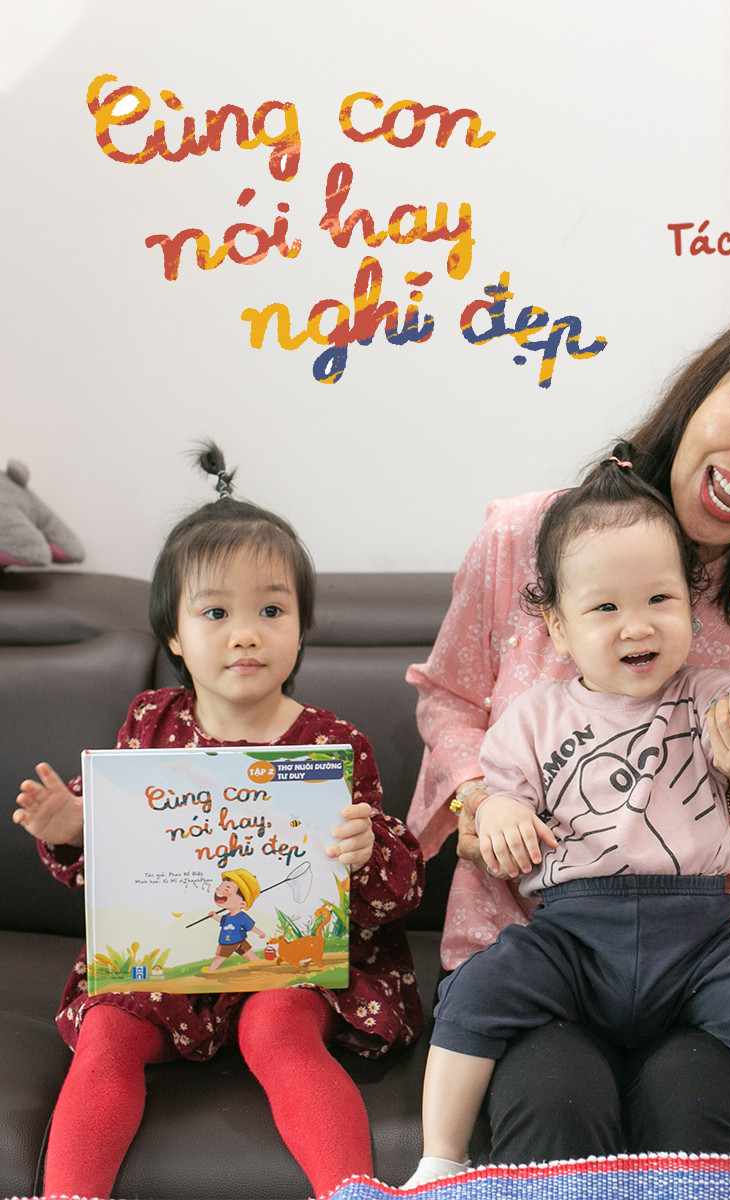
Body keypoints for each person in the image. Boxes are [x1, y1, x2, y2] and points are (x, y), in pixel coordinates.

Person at [406, 299, 730, 1160]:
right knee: (556, 1111)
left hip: (715, 952)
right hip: (530, 939)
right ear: (702, 389)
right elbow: (450, 696)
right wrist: (482, 802)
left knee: (695, 1118)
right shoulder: (527, 535)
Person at [11, 443, 424, 1200]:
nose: (246, 634)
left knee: (279, 1029)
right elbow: (120, 857)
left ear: (301, 627)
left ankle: (352, 1192)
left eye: (271, 610)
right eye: (215, 613)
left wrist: (365, 850)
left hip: (291, 968)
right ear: (173, 634)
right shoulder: (151, 723)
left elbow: (396, 894)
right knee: (106, 1035)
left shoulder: (331, 745)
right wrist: (75, 828)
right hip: (168, 967)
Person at [405, 460, 730, 1186]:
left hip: (698, 935)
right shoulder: (532, 716)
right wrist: (499, 809)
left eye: (660, 598)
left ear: (691, 611)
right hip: (570, 931)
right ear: (558, 627)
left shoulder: (707, 697)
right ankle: (439, 1162)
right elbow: (495, 790)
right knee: (474, 995)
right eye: (605, 608)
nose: (638, 624)